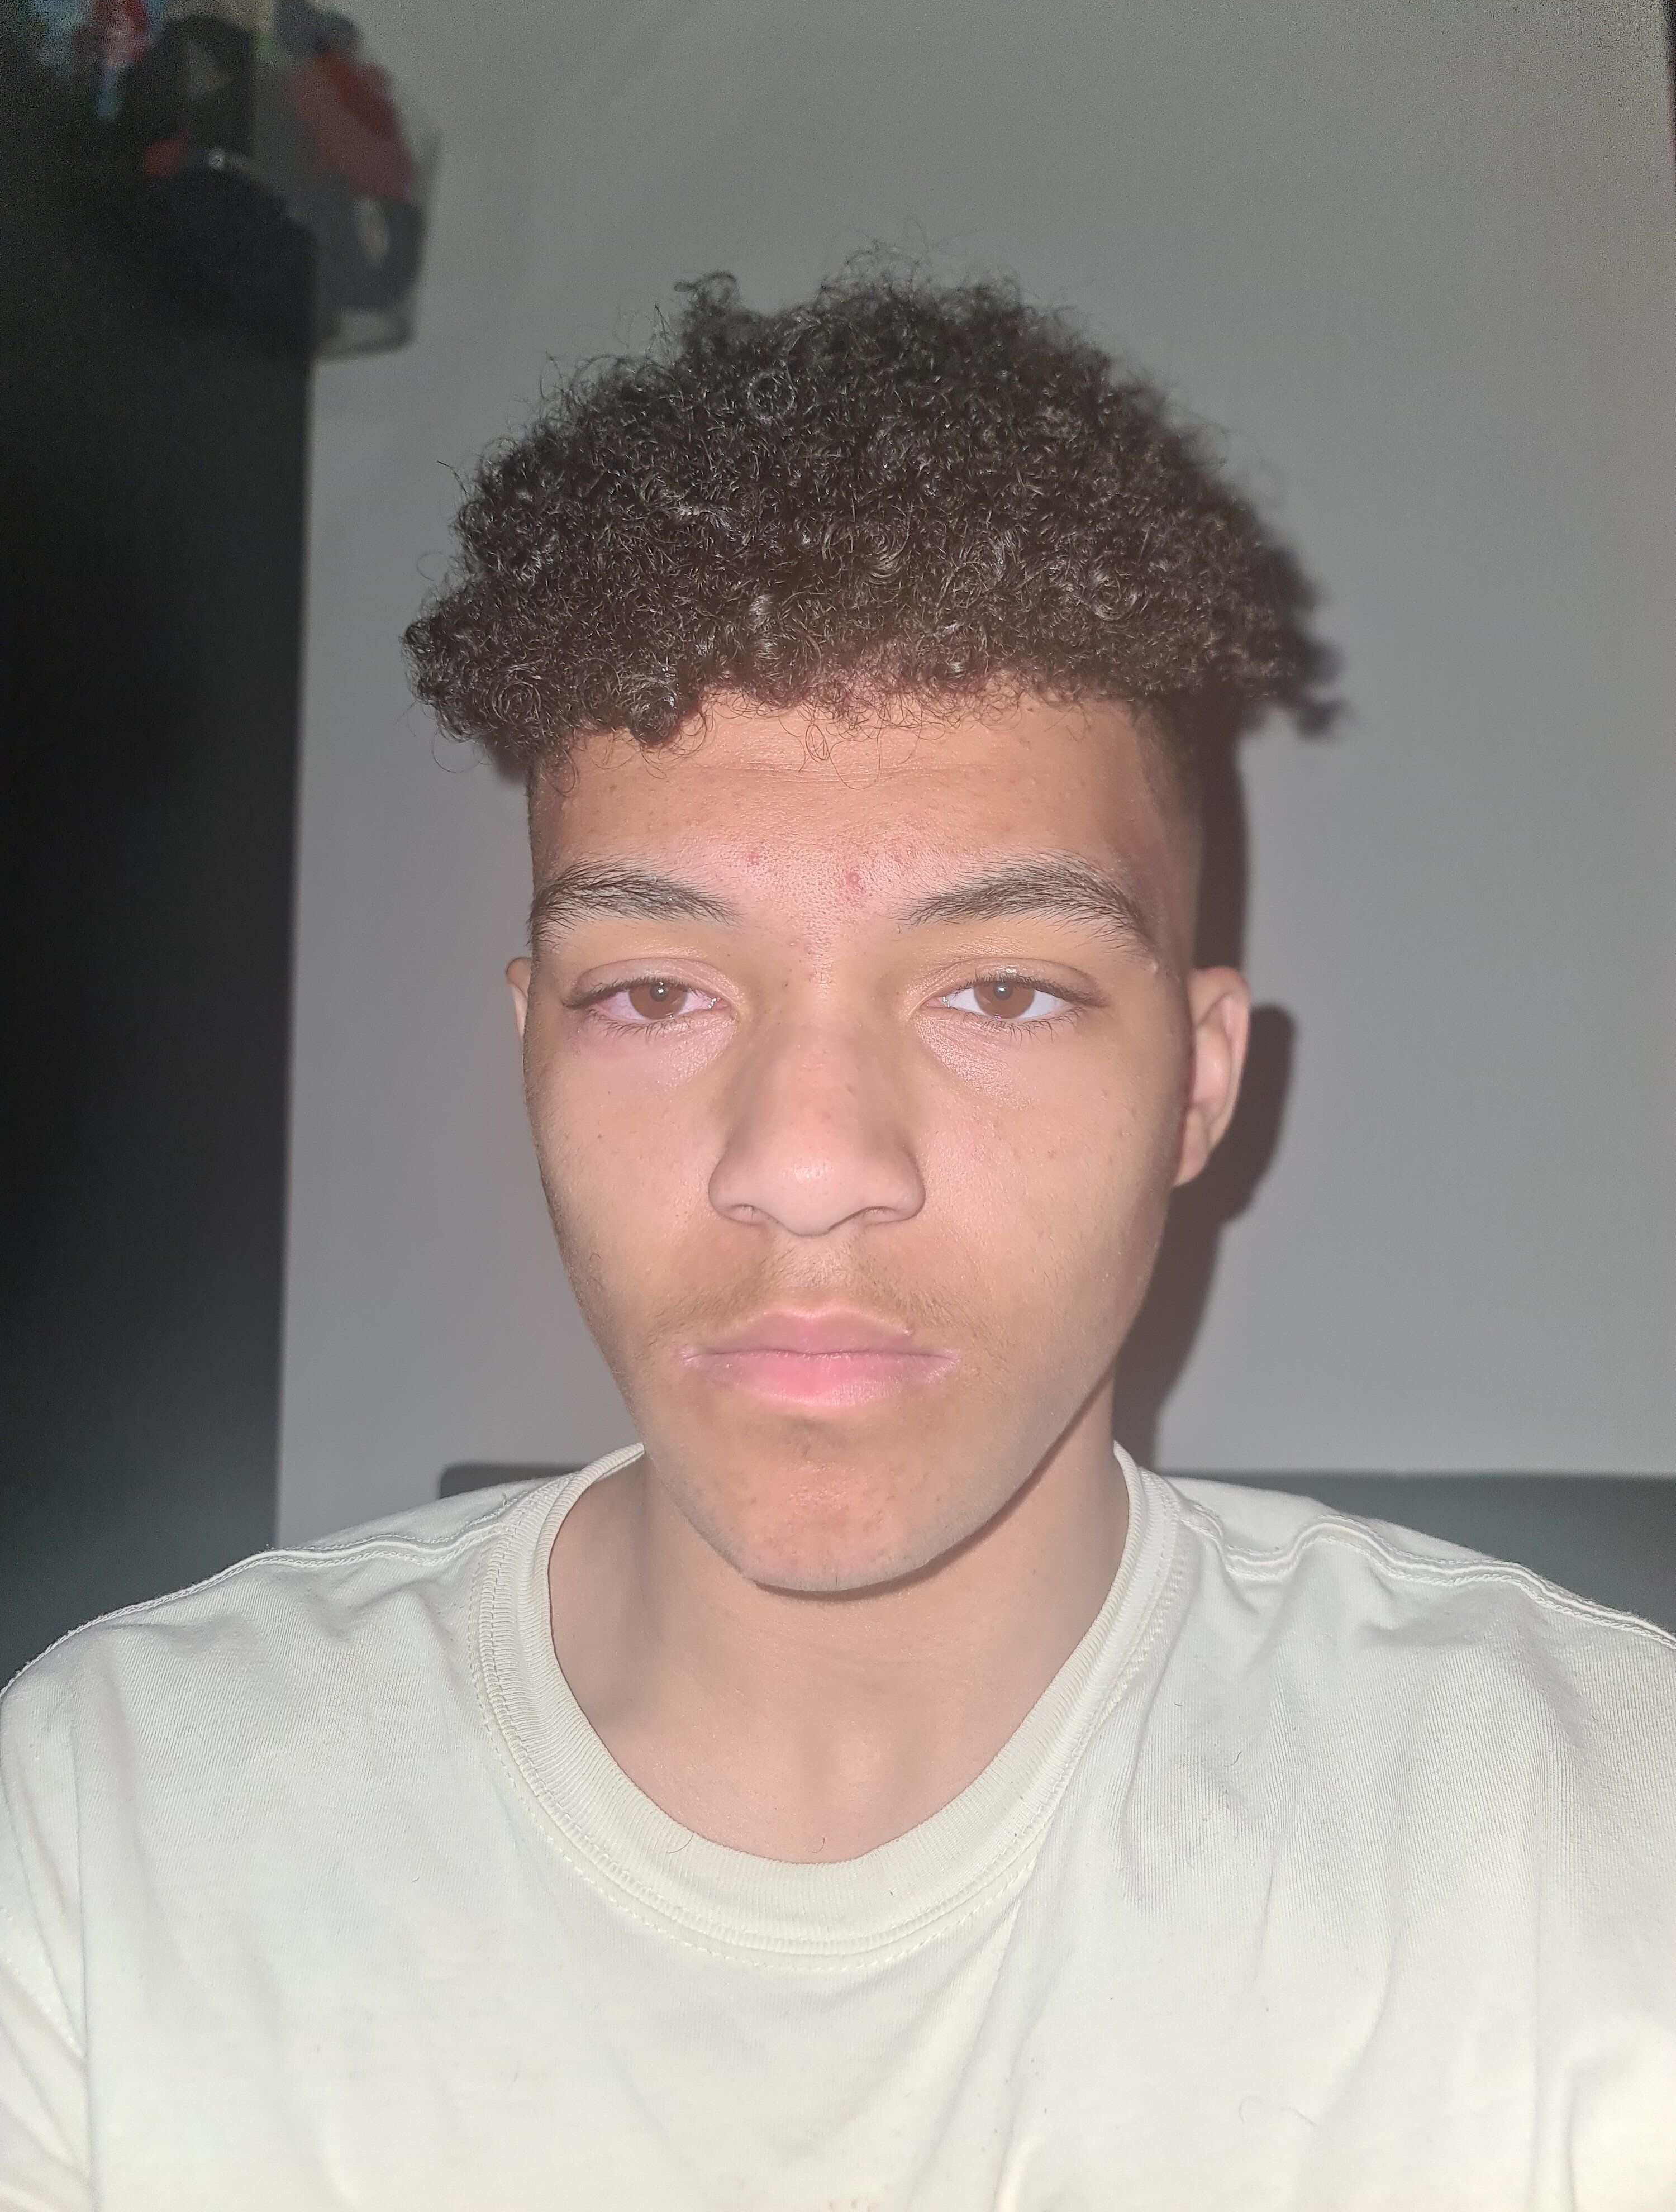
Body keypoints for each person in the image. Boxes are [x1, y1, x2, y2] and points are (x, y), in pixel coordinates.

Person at [2, 268, 1672, 2211]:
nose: (805, 1167)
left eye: (1003, 993)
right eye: (655, 994)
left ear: (1201, 1085)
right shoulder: (107, 1833)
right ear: (528, 1048)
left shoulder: (1590, 1850)